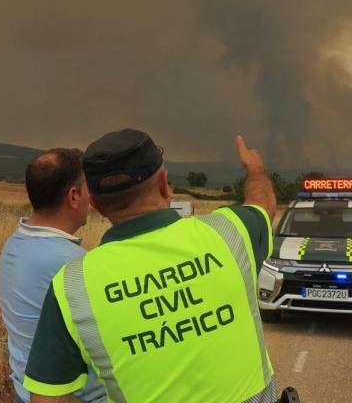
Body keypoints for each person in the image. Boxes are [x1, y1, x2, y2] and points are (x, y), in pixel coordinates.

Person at [23, 129, 279, 403]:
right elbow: (263, 203)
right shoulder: (230, 231)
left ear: (95, 204)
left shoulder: (71, 287)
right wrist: (254, 169)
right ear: (165, 184)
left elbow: (46, 398)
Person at [0, 148, 107, 403]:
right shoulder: (74, 264)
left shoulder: (14, 245)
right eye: (88, 189)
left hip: (26, 392)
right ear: (73, 196)